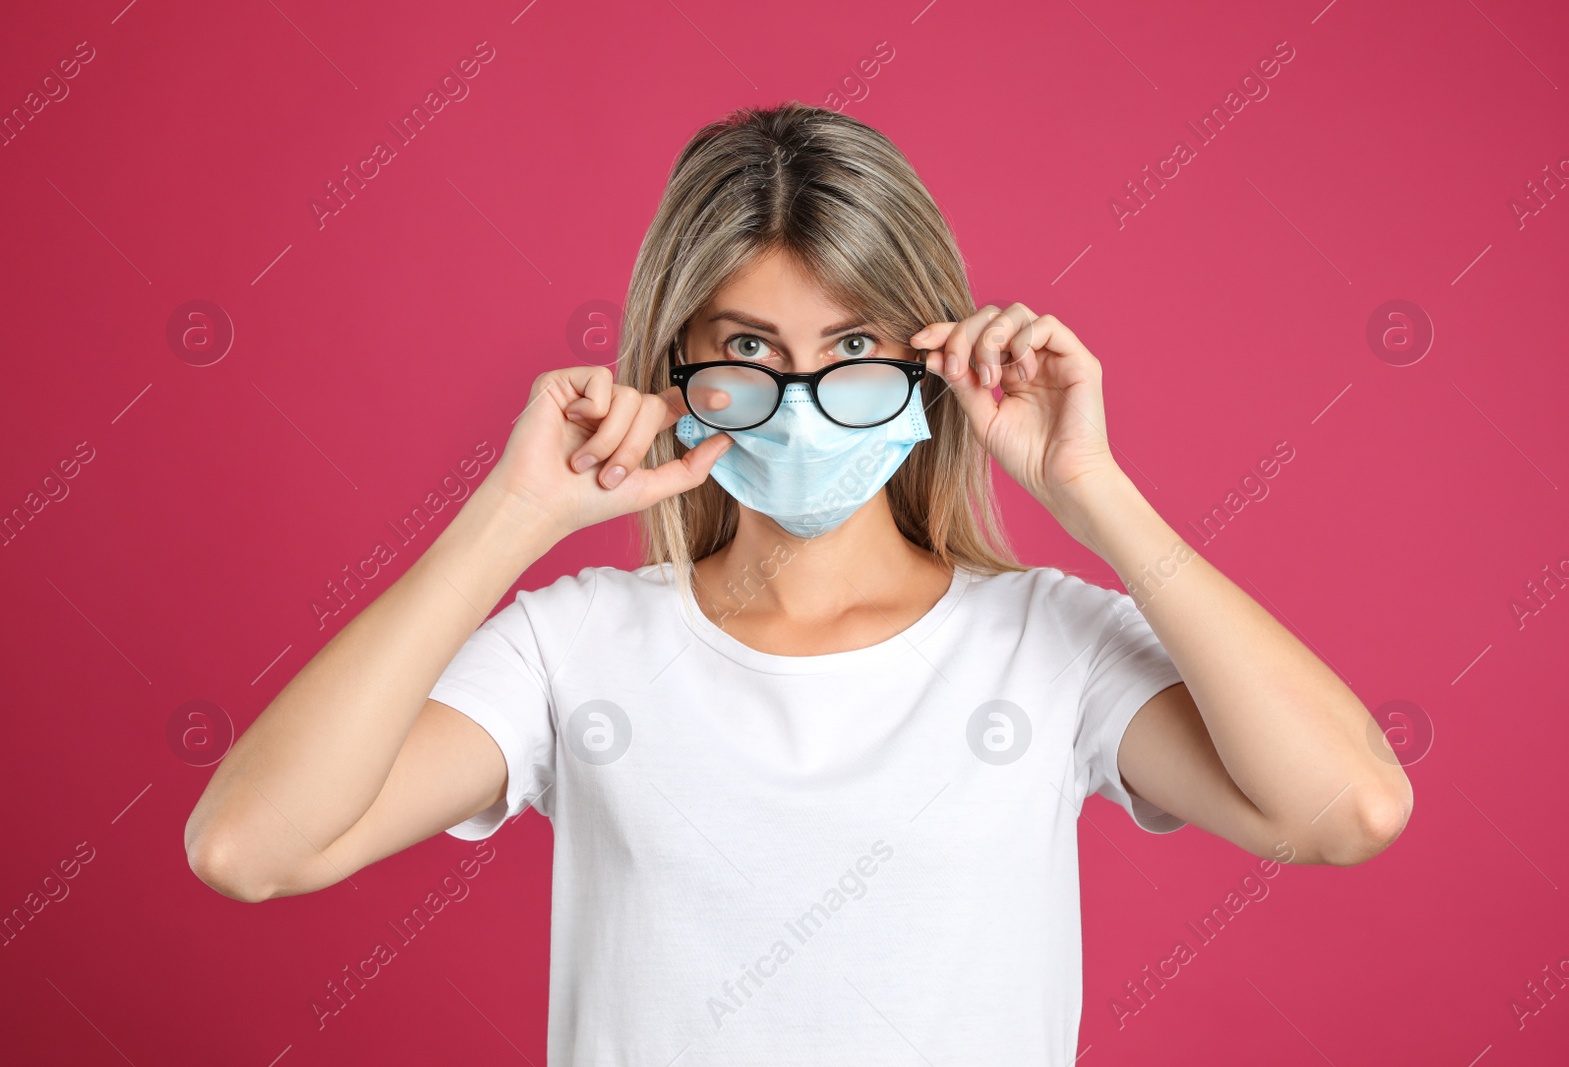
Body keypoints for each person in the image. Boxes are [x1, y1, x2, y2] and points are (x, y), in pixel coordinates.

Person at [184, 102, 1414, 1065]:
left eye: (856, 350)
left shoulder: (1046, 641)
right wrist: (509, 518)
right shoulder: (579, 646)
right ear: (679, 361)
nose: (808, 401)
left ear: (930, 359)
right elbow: (250, 845)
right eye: (749, 351)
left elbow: (1347, 808)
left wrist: (1090, 490)